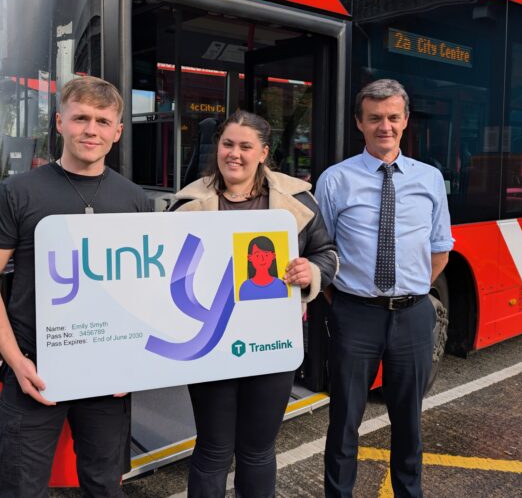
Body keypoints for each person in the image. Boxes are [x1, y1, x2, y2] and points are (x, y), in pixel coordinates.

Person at [0, 76, 151, 497]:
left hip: (109, 373)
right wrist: (15, 361)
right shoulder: (17, 193)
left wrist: (135, 364)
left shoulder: (136, 200)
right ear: (59, 123)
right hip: (33, 370)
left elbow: (146, 292)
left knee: (104, 486)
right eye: (81, 118)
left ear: (117, 132)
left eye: (103, 122)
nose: (92, 130)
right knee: (20, 488)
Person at [172, 109, 338, 498]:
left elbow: (327, 253)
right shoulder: (187, 204)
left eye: (246, 146)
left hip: (271, 345)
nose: (235, 154)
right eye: (228, 144)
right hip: (210, 344)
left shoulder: (296, 200)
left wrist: (310, 272)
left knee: (258, 449)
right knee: (213, 449)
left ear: (263, 152)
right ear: (218, 148)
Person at [317, 79, 454, 498]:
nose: (385, 126)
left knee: (409, 422)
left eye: (393, 117)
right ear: (360, 122)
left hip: (413, 315)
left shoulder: (430, 179)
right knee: (344, 420)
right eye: (375, 118)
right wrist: (345, 299)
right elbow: (322, 250)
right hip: (354, 314)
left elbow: (439, 250)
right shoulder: (335, 180)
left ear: (406, 121)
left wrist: (407, 291)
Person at [239, 235, 289, 300]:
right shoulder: (245, 288)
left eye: (266, 254)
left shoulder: (281, 285)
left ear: (273, 256)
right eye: (257, 255)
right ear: (250, 258)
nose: (262, 259)